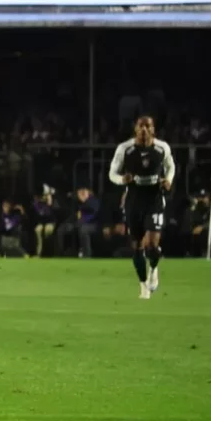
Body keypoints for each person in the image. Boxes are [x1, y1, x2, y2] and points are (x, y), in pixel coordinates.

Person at [109, 116, 174, 299]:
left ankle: (153, 268)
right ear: (135, 129)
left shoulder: (162, 148)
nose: (144, 129)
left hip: (154, 200)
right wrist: (122, 179)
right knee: (137, 246)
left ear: (153, 129)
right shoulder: (124, 149)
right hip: (134, 201)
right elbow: (112, 173)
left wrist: (168, 180)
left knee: (152, 246)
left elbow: (171, 166)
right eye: (141, 126)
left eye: (148, 126)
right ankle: (143, 285)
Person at [56, 187, 99, 258]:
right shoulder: (78, 203)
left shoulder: (93, 200)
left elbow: (92, 208)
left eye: (83, 192)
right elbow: (75, 215)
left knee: (83, 229)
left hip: (92, 224)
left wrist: (82, 200)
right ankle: (60, 254)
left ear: (89, 192)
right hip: (78, 224)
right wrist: (66, 223)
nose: (81, 194)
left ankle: (87, 255)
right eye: (80, 192)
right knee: (61, 229)